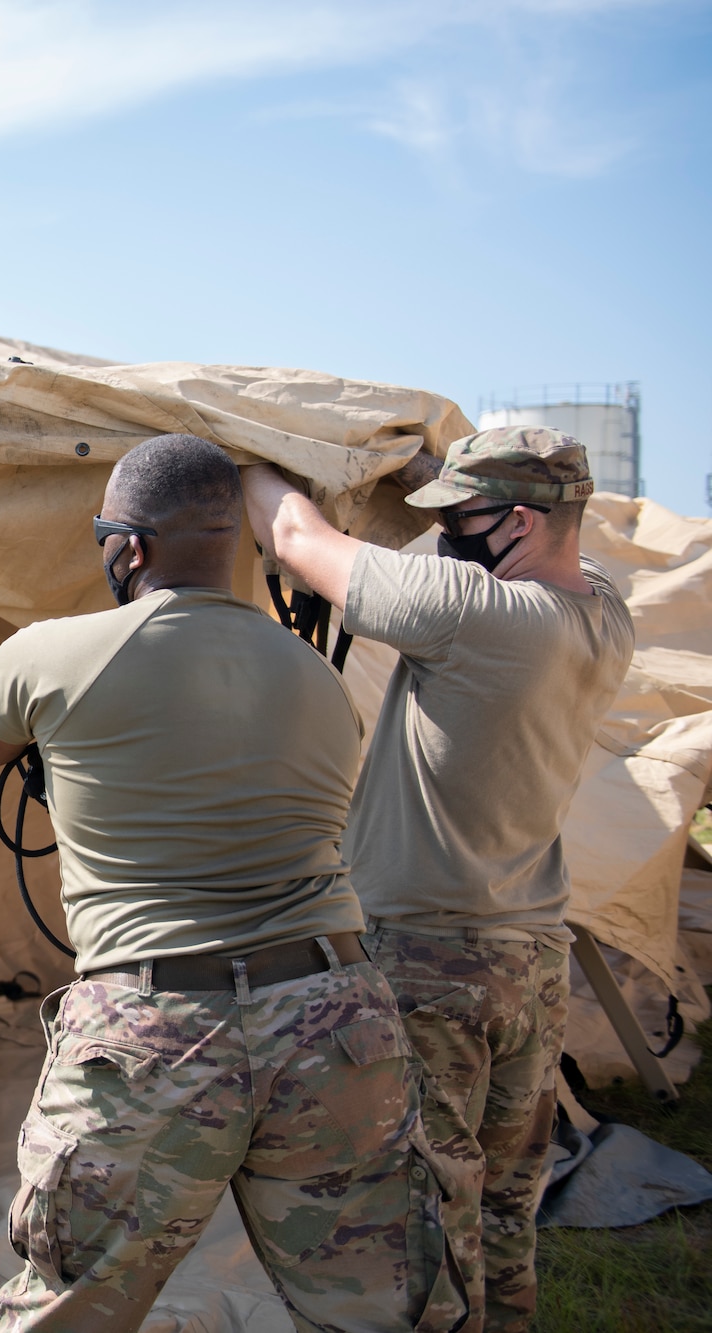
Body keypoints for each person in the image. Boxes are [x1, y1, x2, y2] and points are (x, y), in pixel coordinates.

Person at [0, 433, 459, 1333]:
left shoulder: (52, 655)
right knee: (381, 1309)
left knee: (68, 1311)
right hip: (335, 1020)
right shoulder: (320, 680)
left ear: (129, 545)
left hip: (154, 1035)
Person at [243, 427, 633, 1332]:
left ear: (522, 520)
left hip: (428, 962)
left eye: (462, 518)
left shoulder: (477, 610)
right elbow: (553, 545)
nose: (448, 533)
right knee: (502, 1206)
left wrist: (242, 453)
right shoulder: (605, 618)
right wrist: (443, 478)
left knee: (419, 1214)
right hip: (531, 963)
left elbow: (295, 539)